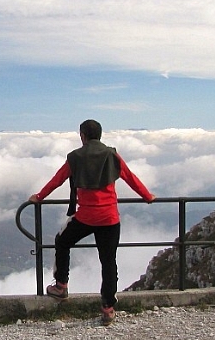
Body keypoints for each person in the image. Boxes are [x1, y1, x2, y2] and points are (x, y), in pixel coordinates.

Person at [28, 119, 155, 325]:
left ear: (82, 136)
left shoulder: (75, 157)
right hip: (110, 218)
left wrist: (39, 196)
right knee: (108, 262)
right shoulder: (112, 155)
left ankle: (61, 286)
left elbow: (57, 179)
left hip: (86, 217)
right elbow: (130, 177)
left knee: (62, 241)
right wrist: (147, 196)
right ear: (100, 135)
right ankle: (108, 307)